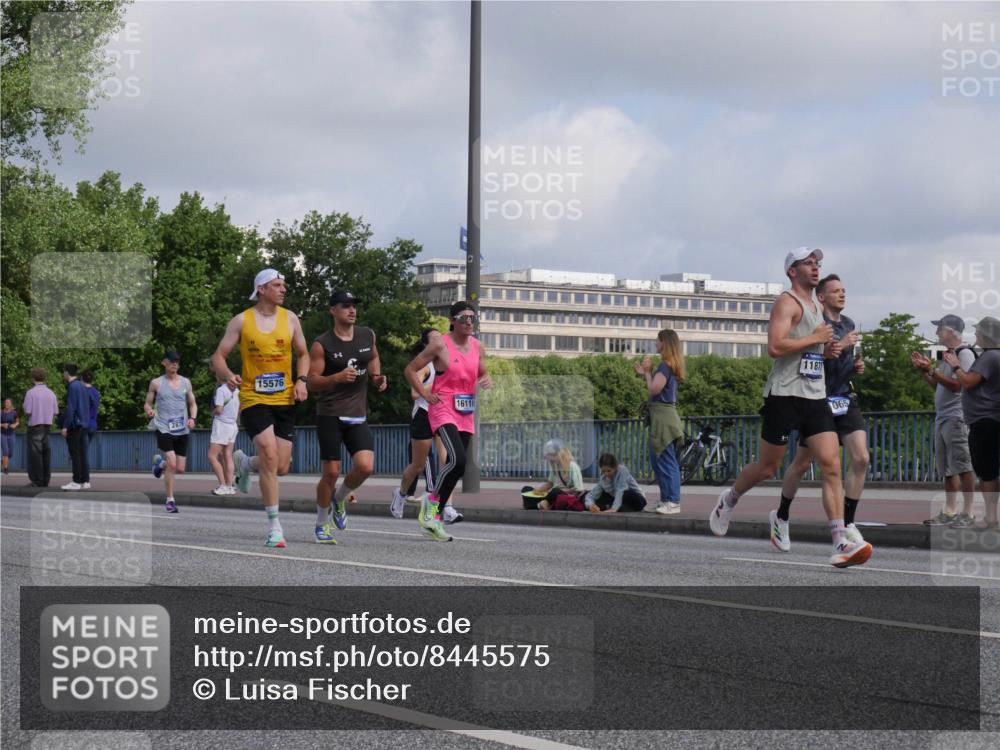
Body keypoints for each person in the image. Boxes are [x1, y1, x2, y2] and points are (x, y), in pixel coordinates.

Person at [708, 247, 873, 568]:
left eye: (817, 264)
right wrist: (814, 338)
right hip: (784, 395)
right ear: (792, 271)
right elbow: (775, 346)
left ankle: (840, 540)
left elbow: (815, 354)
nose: (815, 268)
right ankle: (728, 501)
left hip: (815, 396)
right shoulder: (788, 302)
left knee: (831, 466)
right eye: (808, 264)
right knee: (768, 468)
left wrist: (828, 352)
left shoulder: (816, 305)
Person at [210, 269, 309, 548]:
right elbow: (218, 356)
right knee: (269, 453)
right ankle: (275, 527)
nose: (283, 289)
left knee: (281, 466)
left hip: (285, 400)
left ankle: (244, 463)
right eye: (277, 285)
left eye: (284, 285)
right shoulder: (242, 321)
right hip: (254, 399)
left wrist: (302, 380)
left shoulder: (290, 319)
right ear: (261, 289)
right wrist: (227, 374)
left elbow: (303, 354)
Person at [771, 274, 870, 551]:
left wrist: (855, 367)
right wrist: (844, 346)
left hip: (844, 397)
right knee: (802, 464)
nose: (842, 294)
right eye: (836, 291)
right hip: (817, 399)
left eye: (844, 290)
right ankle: (781, 515)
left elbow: (842, 362)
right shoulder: (815, 323)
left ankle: (848, 524)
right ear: (822, 297)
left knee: (861, 457)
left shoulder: (848, 323)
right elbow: (814, 362)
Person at [405, 300, 492, 541]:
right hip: (442, 407)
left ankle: (433, 513)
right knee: (457, 458)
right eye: (463, 318)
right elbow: (411, 370)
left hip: (465, 410)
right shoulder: (440, 345)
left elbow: (481, 370)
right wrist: (424, 394)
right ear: (452, 321)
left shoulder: (477, 346)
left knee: (459, 467)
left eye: (472, 318)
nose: (469, 322)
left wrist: (486, 378)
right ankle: (432, 505)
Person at [307, 289, 388, 543]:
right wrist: (336, 378)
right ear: (333, 310)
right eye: (345, 306)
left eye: (354, 305)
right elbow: (311, 382)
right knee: (330, 473)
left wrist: (376, 377)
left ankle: (339, 498)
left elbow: (373, 357)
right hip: (330, 414)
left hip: (357, 414)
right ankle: (321, 524)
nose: (352, 310)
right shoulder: (323, 344)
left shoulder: (367, 334)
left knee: (366, 466)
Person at [911, 314, 978, 527]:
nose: (936, 332)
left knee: (963, 465)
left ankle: (968, 513)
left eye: (939, 328)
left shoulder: (964, 353)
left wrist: (931, 370)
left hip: (956, 417)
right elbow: (939, 385)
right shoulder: (948, 355)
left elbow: (959, 385)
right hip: (943, 418)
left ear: (950, 331)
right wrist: (925, 371)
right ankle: (950, 512)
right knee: (947, 468)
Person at [944, 316, 1000, 531]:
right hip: (993, 418)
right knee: (992, 469)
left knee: (986, 471)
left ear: (987, 335)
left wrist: (956, 366)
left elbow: (967, 383)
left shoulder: (990, 357)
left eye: (979, 332)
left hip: (984, 420)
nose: (976, 335)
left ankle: (990, 518)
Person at [391, 328, 443, 519]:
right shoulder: (425, 366)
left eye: (441, 337)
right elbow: (414, 394)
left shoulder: (445, 364)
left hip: (443, 416)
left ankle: (438, 506)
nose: (440, 340)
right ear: (426, 345)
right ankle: (401, 493)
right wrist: (436, 386)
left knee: (450, 460)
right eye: (435, 338)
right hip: (424, 415)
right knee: (419, 465)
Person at [634, 328, 686, 515]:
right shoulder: (669, 365)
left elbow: (655, 390)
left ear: (664, 342)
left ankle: (673, 501)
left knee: (666, 460)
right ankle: (666, 499)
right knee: (658, 460)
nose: (655, 343)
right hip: (664, 417)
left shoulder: (665, 365)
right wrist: (645, 374)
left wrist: (648, 372)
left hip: (663, 418)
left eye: (657, 340)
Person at [144, 351, 197, 512]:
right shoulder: (156, 383)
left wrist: (193, 418)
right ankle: (170, 500)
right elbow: (147, 403)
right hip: (163, 427)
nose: (175, 364)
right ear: (164, 363)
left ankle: (160, 464)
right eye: (172, 361)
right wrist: (149, 411)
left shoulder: (186, 383)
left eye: (177, 361)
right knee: (173, 464)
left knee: (180, 468)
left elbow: (193, 404)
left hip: (182, 429)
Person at [22, 368, 58, 487]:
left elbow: (28, 411)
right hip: (47, 426)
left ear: (33, 378)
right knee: (46, 454)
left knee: (35, 454)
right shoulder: (51, 393)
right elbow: (55, 412)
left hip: (35, 425)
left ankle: (37, 480)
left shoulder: (31, 392)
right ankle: (45, 480)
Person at [208, 373, 240, 496]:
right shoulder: (237, 391)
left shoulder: (221, 390)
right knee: (228, 455)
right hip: (233, 425)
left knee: (212, 456)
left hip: (221, 425)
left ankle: (222, 485)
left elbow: (219, 409)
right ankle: (230, 485)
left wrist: (213, 412)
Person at [60, 364, 90, 491]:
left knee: (75, 454)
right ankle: (85, 480)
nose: (63, 374)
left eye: (63, 372)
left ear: (67, 373)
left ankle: (76, 481)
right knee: (83, 453)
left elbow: (71, 408)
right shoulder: (82, 386)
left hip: (75, 425)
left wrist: (65, 426)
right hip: (84, 424)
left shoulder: (72, 386)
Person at [534, 439, 585, 510]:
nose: (549, 459)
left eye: (551, 455)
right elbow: (549, 484)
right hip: (554, 495)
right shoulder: (555, 466)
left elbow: (578, 489)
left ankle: (544, 503)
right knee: (526, 489)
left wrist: (562, 492)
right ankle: (545, 503)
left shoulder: (573, 466)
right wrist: (537, 490)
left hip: (567, 495)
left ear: (558, 454)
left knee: (555, 491)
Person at [81, 370, 100, 444]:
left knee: (78, 452)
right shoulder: (96, 392)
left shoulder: (82, 392)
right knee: (84, 451)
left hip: (83, 425)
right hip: (93, 424)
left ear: (82, 379)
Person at [1, 398, 19, 475]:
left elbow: (18, 421)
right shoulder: (1, 412)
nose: (7, 404)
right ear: (4, 404)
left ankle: (3, 461)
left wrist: (15, 425)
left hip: (11, 434)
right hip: (2, 434)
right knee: (5, 451)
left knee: (10, 453)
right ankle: (5, 468)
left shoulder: (14, 412)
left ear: (11, 404)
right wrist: (2, 425)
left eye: (8, 402)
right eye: (5, 402)